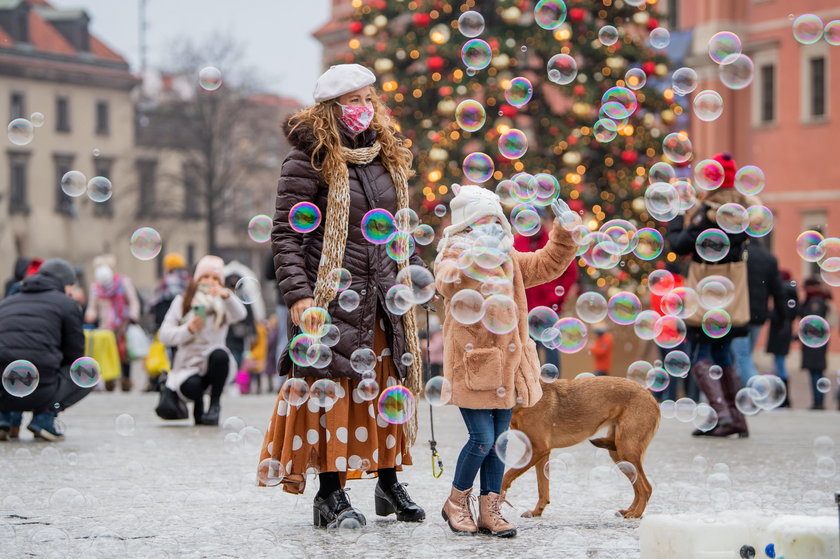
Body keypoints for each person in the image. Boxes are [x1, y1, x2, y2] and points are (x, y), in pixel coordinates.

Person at [259, 64, 427, 528]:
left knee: (386, 391)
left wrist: (414, 276)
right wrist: (297, 294)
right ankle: (330, 494)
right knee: (333, 393)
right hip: (330, 298)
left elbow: (397, 231)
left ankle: (389, 483)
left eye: (370, 98)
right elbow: (286, 233)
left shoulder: (385, 157)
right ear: (332, 108)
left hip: (381, 298)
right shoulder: (308, 158)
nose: (365, 108)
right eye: (354, 100)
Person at [435, 186, 576, 538]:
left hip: (507, 367)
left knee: (499, 440)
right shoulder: (453, 254)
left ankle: (490, 508)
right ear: (466, 223)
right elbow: (447, 282)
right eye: (481, 219)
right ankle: (456, 502)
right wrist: (474, 259)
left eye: (494, 219)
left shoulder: (508, 258)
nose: (490, 226)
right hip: (474, 367)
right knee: (481, 438)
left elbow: (549, 264)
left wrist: (565, 230)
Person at [667, 153, 750, 438]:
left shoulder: (710, 213)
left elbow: (679, 244)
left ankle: (723, 414)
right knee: (723, 352)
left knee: (701, 353)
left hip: (706, 294)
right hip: (731, 295)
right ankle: (736, 418)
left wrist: (676, 215)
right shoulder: (742, 211)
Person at [0, 259, 90, 441]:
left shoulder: (7, 302)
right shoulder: (67, 304)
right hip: (42, 390)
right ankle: (45, 417)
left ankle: (3, 418)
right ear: (65, 284)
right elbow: (74, 355)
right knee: (85, 371)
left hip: (3, 388)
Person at [157, 255, 246, 424]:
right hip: (188, 364)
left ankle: (215, 405)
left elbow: (240, 314)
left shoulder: (223, 304)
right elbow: (164, 335)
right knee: (192, 386)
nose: (210, 281)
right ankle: (198, 405)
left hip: (215, 363)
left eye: (215, 278)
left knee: (220, 354)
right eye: (205, 276)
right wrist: (188, 329)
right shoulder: (183, 301)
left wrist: (226, 296)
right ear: (196, 279)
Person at [513, 210, 578, 374]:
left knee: (551, 350)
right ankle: (534, 386)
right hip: (525, 310)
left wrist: (556, 297)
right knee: (528, 350)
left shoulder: (553, 242)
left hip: (549, 309)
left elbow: (570, 271)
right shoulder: (516, 242)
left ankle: (553, 386)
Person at [731, 238, 784, 386]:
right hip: (758, 316)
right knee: (745, 356)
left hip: (738, 314)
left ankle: (757, 392)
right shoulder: (768, 258)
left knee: (742, 357)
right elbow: (778, 291)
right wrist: (783, 317)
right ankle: (743, 396)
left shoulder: (738, 254)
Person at [85, 254, 141, 392]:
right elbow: (92, 306)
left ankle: (126, 380)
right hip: (106, 324)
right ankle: (109, 379)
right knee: (108, 351)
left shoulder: (123, 282)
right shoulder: (96, 287)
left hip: (123, 321)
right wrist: (90, 314)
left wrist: (133, 316)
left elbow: (133, 300)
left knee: (123, 351)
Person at [799, 277, 832, 410]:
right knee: (816, 372)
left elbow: (812, 320)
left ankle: (818, 402)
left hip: (815, 343)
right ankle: (818, 401)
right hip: (815, 342)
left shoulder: (816, 301)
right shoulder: (818, 299)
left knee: (816, 373)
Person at [766, 270, 797, 407]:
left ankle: (783, 398)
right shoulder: (792, 294)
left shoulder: (783, 293)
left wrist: (771, 315)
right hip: (782, 333)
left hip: (780, 333)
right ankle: (782, 398)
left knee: (779, 366)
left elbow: (783, 314)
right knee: (778, 364)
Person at [151, 253, 190, 330]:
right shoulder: (187, 277)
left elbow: (157, 298)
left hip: (165, 312)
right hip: (184, 312)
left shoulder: (168, 279)